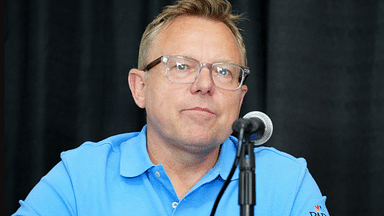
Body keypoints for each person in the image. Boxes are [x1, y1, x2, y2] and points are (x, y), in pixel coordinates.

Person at [13, 0, 329, 215]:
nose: (204, 84)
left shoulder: (286, 182)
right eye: (181, 66)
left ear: (240, 99)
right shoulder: (82, 176)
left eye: (223, 71)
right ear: (140, 87)